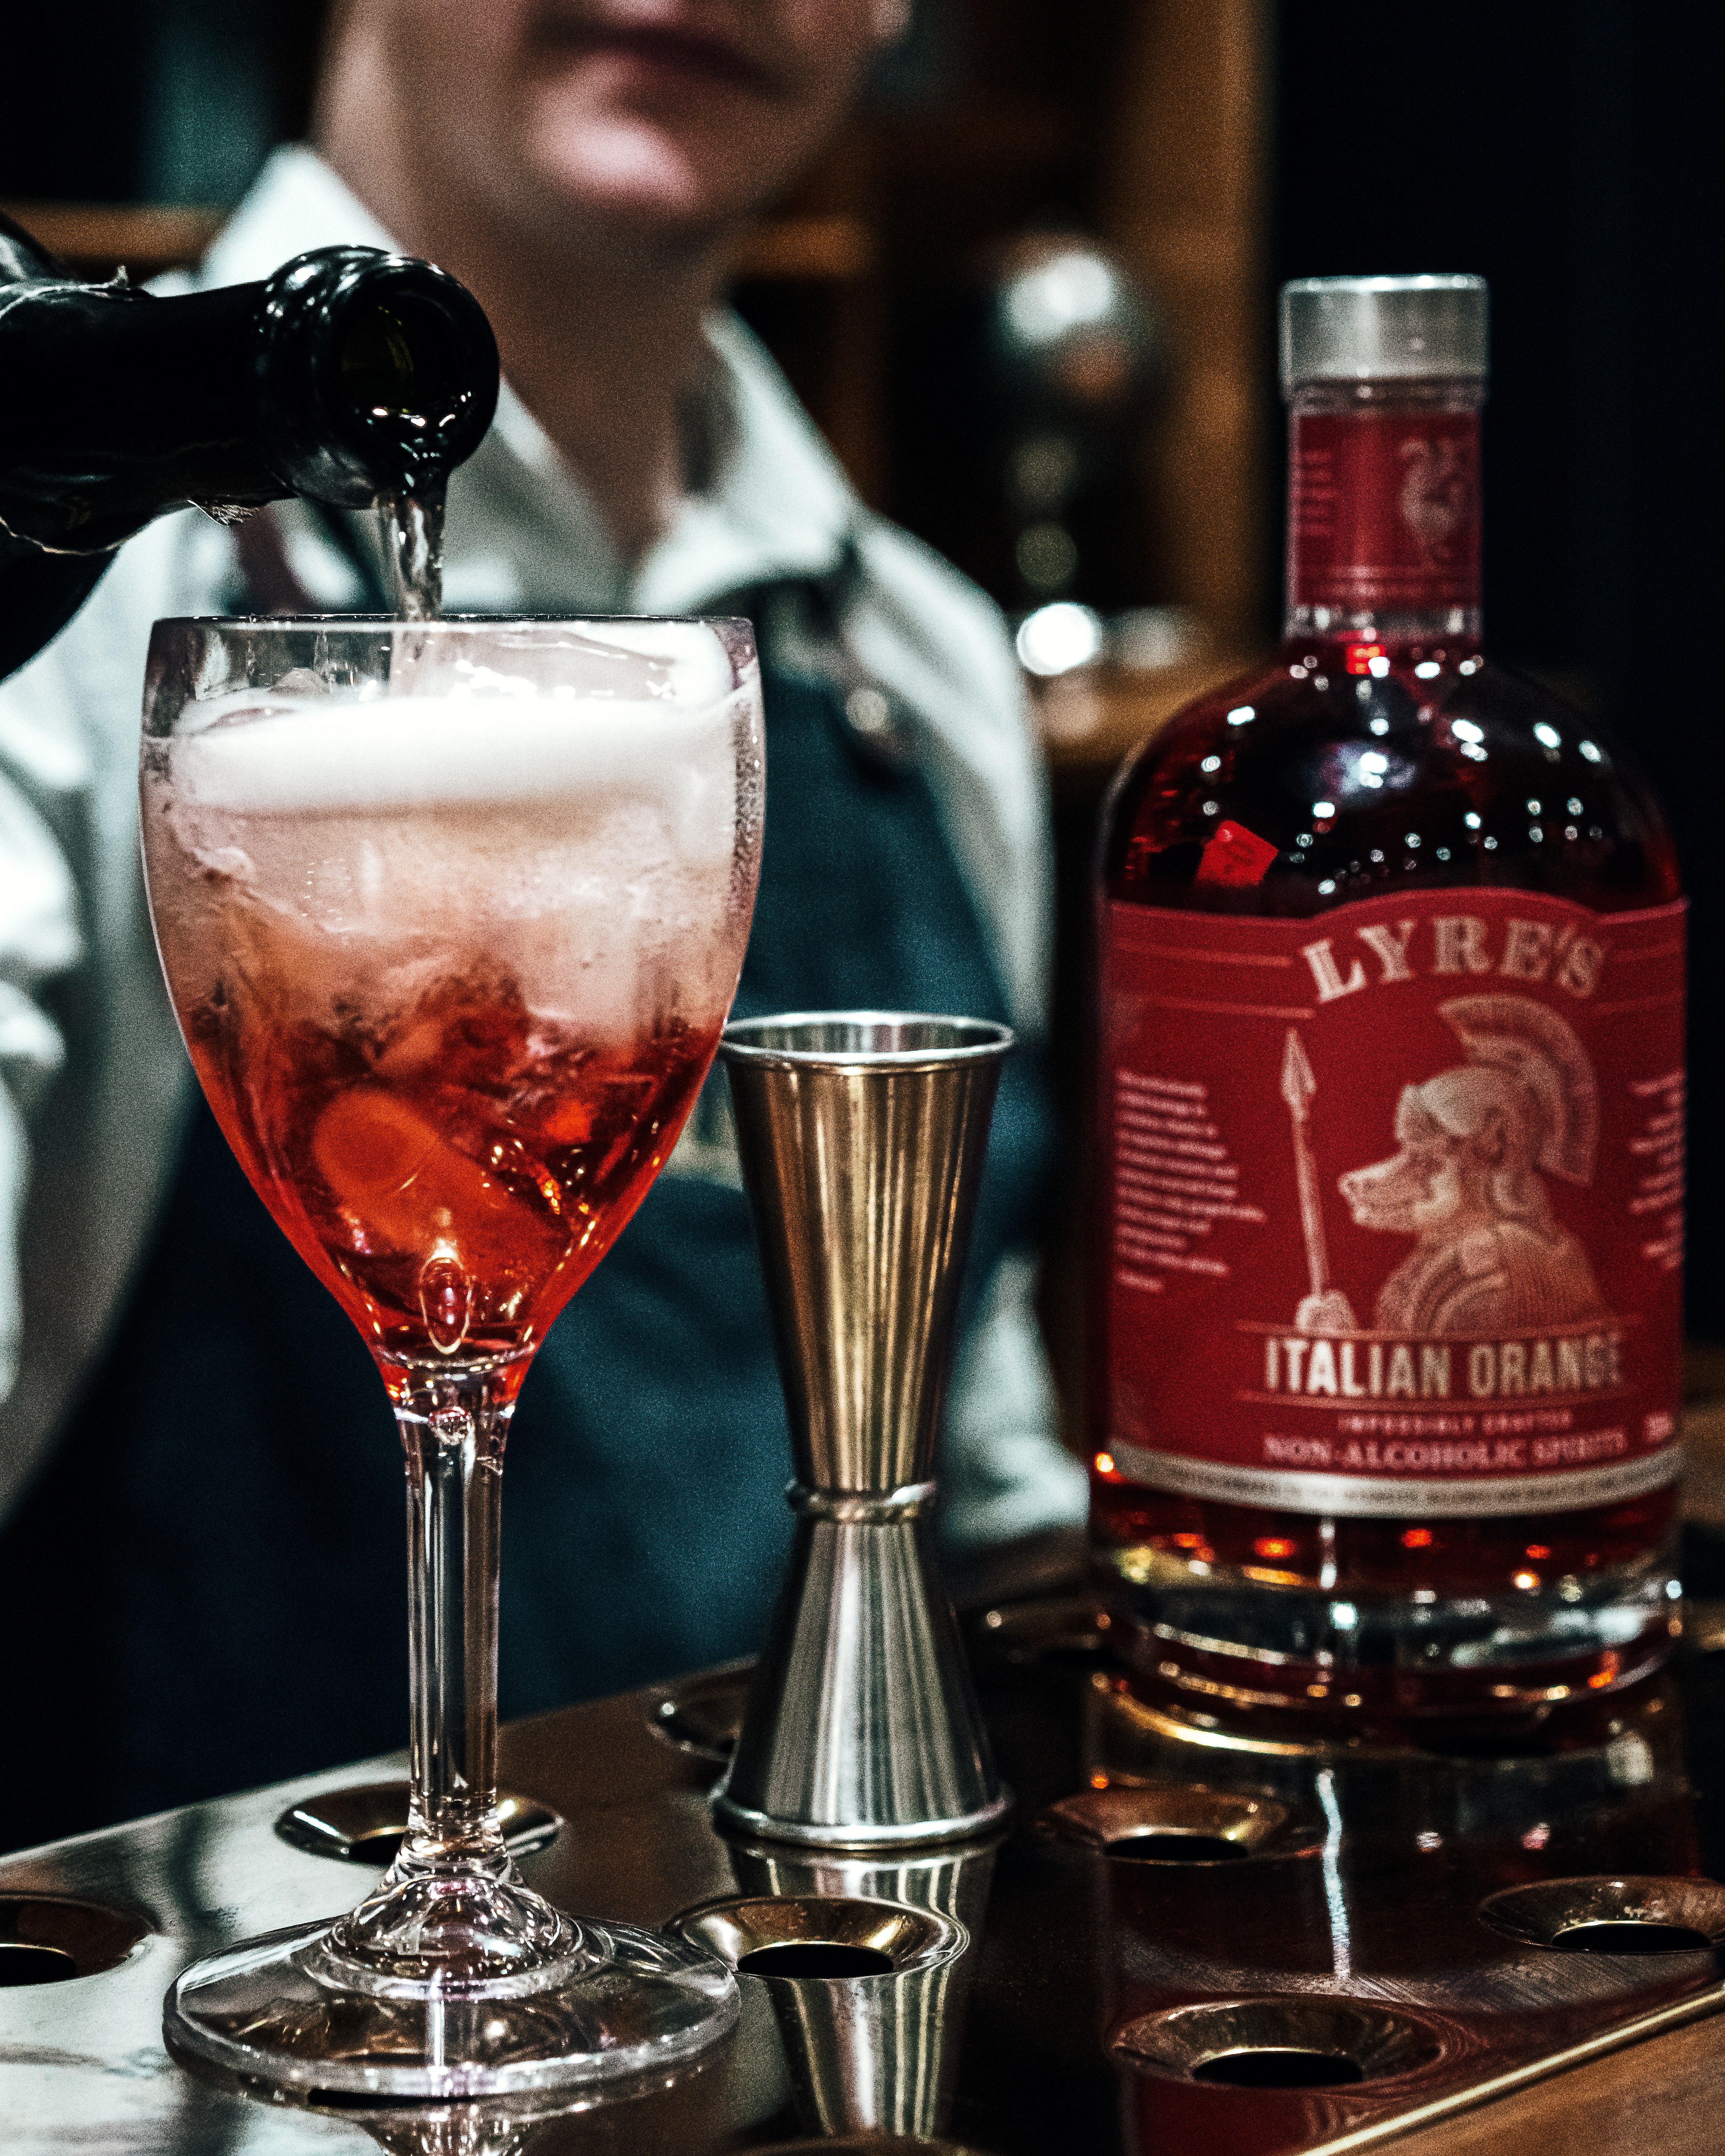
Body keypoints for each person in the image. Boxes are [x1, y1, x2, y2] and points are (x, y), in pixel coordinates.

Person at [0, 0, 1083, 1851]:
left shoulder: (918, 660)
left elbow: (960, 1463)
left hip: (796, 2024)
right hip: (197, 2059)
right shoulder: (76, 604)